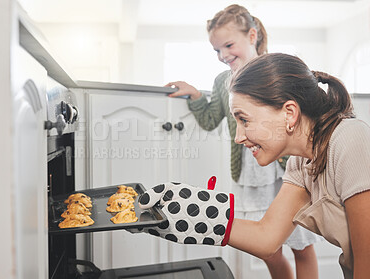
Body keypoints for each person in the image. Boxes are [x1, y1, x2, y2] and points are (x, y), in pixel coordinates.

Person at [139, 53, 370, 279]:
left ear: (289, 113)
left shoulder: (350, 139)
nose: (238, 137)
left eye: (244, 120)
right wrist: (185, 215)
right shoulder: (300, 162)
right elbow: (267, 238)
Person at [164, 4, 321, 278]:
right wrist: (196, 96)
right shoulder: (222, 80)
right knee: (268, 250)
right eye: (216, 50)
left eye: (228, 45)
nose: (223, 55)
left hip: (285, 174)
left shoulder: (277, 70)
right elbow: (212, 119)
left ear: (252, 35)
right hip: (250, 176)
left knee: (302, 246)